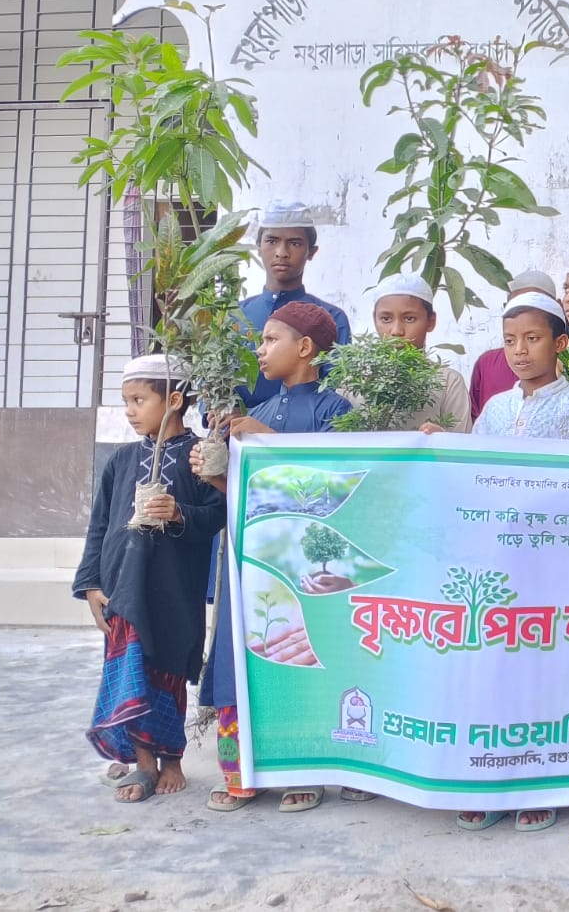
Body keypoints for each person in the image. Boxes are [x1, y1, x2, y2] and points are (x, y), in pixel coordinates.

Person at [462, 291, 569, 831]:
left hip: (557, 566)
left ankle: (542, 781)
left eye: (532, 339)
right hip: (499, 567)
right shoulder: (495, 409)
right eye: (509, 341)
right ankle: (487, 778)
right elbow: (472, 479)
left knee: (548, 670)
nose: (520, 351)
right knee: (495, 671)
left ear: (560, 343)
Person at [195, 301, 354, 813]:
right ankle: (239, 769)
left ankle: (304, 770)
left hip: (305, 561)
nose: (259, 351)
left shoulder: (337, 412)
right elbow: (239, 494)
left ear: (305, 348)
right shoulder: (256, 415)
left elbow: (332, 481)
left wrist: (260, 439)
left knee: (300, 653)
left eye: (269, 340)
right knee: (240, 654)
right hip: (247, 558)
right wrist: (215, 472)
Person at [74, 355, 225, 805]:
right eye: (126, 401)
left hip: (176, 590)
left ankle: (172, 759)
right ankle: (143, 763)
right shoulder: (121, 461)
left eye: (139, 400)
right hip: (122, 587)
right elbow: (99, 525)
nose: (130, 410)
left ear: (174, 400)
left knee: (170, 672)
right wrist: (90, 585)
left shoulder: (201, 457)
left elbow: (218, 515)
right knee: (131, 671)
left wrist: (180, 513)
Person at [238, 200, 351, 406]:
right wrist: (222, 412)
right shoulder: (234, 316)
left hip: (306, 434)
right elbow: (213, 382)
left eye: (295, 243)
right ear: (258, 248)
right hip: (237, 435)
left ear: (311, 252)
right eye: (272, 241)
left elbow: (335, 388)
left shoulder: (331, 318)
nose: (282, 252)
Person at [366, 272, 471, 432]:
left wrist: (442, 438)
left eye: (409, 319)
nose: (396, 331)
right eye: (386, 319)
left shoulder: (448, 382)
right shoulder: (353, 382)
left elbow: (461, 451)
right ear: (375, 320)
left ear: (431, 321)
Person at [468, 270, 556, 421]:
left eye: (533, 338)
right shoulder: (487, 364)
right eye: (518, 305)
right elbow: (476, 431)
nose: (520, 350)